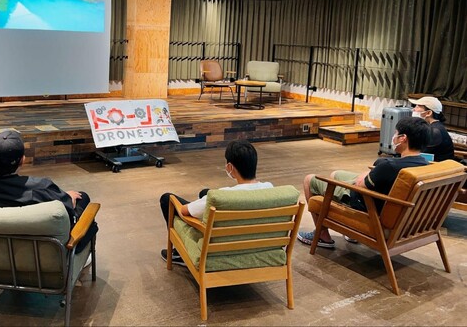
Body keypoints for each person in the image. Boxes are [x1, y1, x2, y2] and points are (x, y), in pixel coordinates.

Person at [297, 116, 431, 248]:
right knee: (335, 174)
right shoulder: (425, 164)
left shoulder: (389, 166)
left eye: (396, 133)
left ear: (403, 138)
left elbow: (360, 185)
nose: (393, 137)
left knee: (309, 180)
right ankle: (349, 233)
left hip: (367, 206)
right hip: (401, 215)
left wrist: (370, 172)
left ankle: (322, 235)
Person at [0, 130, 98, 254]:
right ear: (22, 160)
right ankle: (78, 255)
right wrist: (67, 197)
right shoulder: (41, 188)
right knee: (82, 198)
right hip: (38, 259)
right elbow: (67, 209)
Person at [159, 140, 273, 265]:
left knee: (167, 199)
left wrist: (200, 207)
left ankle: (179, 255)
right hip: (257, 245)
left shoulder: (221, 196)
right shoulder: (270, 189)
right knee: (205, 192)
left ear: (230, 167)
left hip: (222, 249)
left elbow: (184, 211)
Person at [409, 96, 455, 162]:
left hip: (439, 167)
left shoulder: (434, 131)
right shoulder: (434, 127)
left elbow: (421, 154)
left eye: (417, 107)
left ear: (428, 113)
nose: (413, 109)